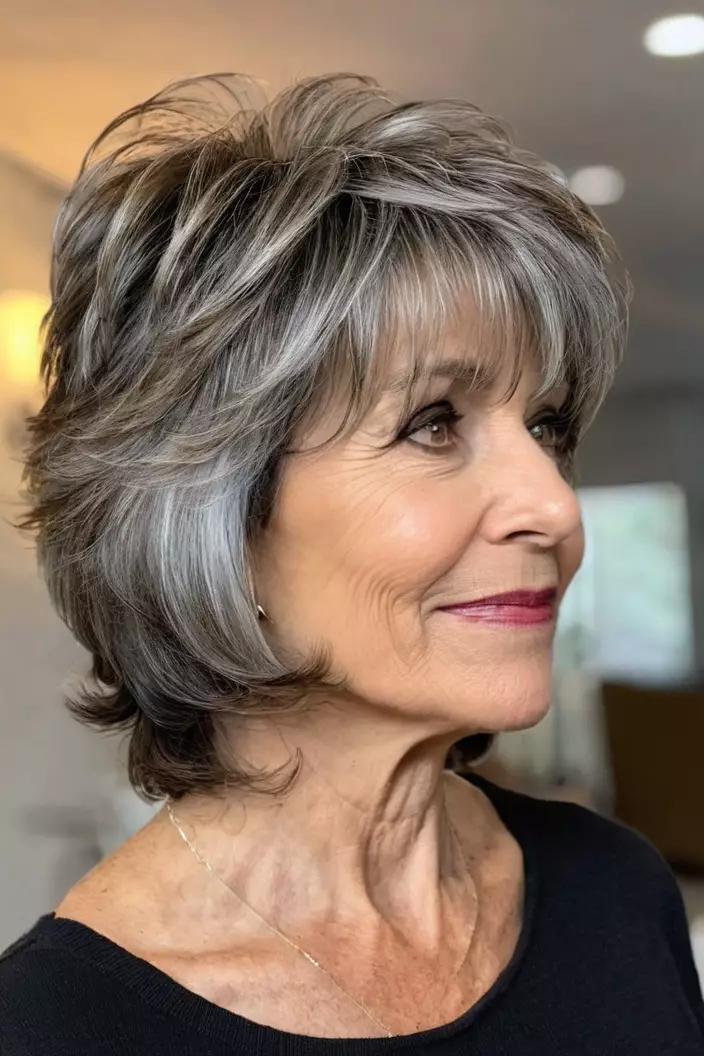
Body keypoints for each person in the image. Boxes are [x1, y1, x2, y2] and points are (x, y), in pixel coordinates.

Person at [1, 73, 702, 1055]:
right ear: (209, 517)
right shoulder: (55, 1030)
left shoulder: (615, 891)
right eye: (430, 423)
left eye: (544, 424)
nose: (551, 505)